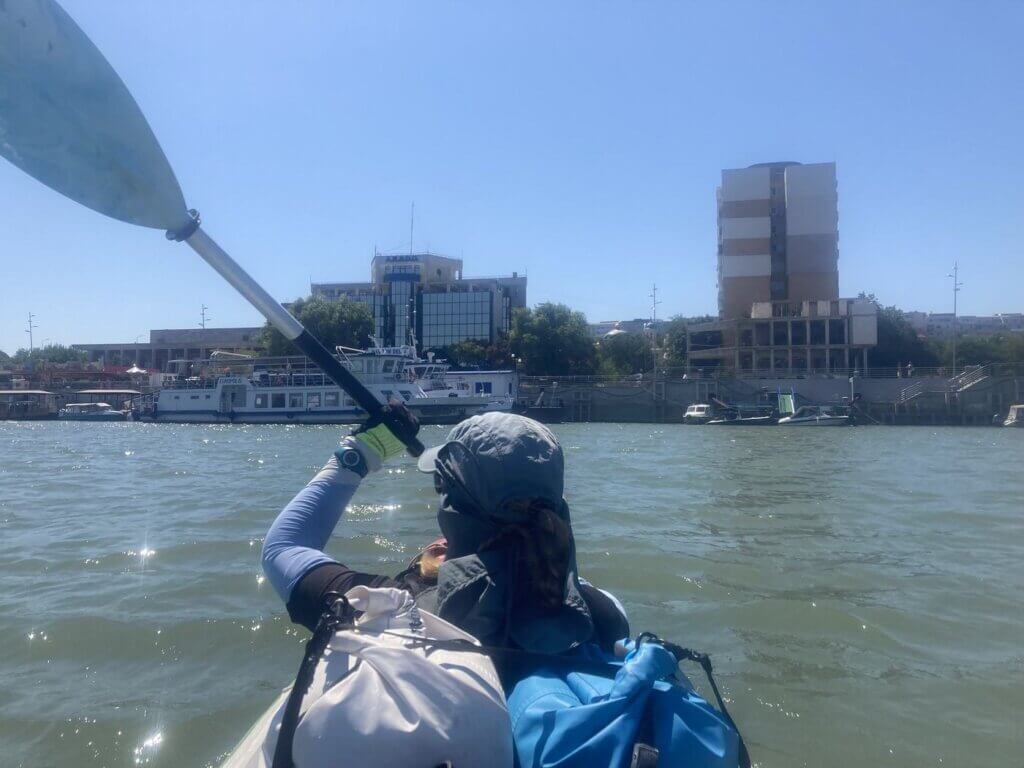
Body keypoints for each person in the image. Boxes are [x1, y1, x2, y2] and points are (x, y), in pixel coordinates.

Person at [262, 408, 629, 655]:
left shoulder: (386, 607)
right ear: (556, 505)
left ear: (451, 509)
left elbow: (283, 547)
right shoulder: (604, 613)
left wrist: (363, 450)